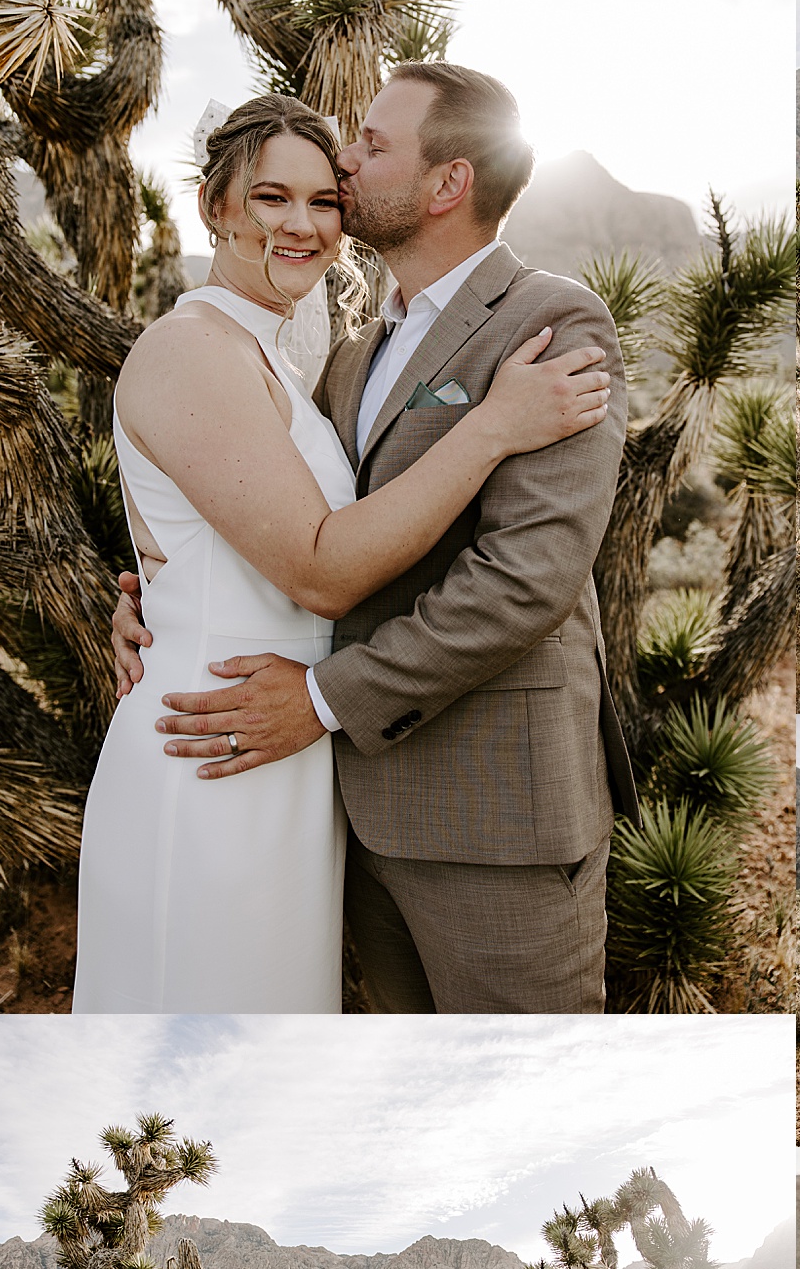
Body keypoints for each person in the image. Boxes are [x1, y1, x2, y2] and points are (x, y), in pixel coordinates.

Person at [101, 67, 638, 1014]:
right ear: (215, 206)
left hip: (491, 812)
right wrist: (155, 594)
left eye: (366, 152)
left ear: (447, 185)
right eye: (275, 194)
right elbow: (266, 528)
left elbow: (527, 580)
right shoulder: (349, 355)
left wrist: (320, 698)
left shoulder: (549, 322)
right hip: (302, 776)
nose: (343, 174)